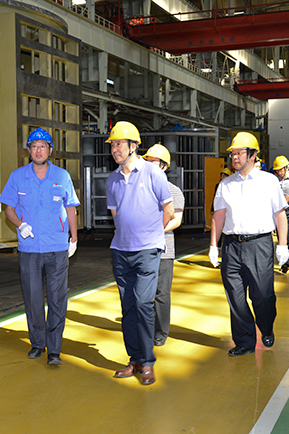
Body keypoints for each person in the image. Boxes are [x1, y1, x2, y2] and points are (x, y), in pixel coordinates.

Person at [0, 127, 79, 366]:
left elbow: (71, 208)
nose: (38, 150)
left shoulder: (62, 176)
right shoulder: (17, 176)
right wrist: (20, 225)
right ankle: (37, 343)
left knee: (57, 299)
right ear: (28, 150)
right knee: (33, 298)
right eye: (34, 146)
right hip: (30, 248)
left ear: (50, 150)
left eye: (43, 146)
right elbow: (8, 209)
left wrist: (74, 238)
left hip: (57, 247)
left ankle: (54, 349)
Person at [209, 132, 288, 357]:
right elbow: (218, 216)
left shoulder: (269, 181)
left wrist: (282, 245)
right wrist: (214, 245)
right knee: (235, 297)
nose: (234, 157)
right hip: (231, 246)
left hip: (259, 245)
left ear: (253, 155)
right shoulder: (225, 184)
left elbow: (280, 214)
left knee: (262, 295)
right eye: (232, 154)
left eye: (239, 153)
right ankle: (244, 340)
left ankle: (266, 327)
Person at [106, 121, 174, 385]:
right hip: (121, 250)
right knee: (128, 307)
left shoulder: (154, 173)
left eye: (119, 144)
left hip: (147, 251)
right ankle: (134, 359)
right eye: (112, 144)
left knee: (144, 303)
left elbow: (168, 211)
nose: (115, 149)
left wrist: (151, 237)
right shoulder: (113, 179)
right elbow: (116, 215)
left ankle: (147, 362)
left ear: (133, 146)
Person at [143, 144, 185, 347]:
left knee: (161, 293)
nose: (150, 166)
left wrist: (155, 230)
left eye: (154, 162)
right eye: (147, 162)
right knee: (143, 291)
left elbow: (176, 220)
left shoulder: (173, 191)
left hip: (163, 249)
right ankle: (146, 328)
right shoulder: (140, 189)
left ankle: (161, 331)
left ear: (164, 166)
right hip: (142, 248)